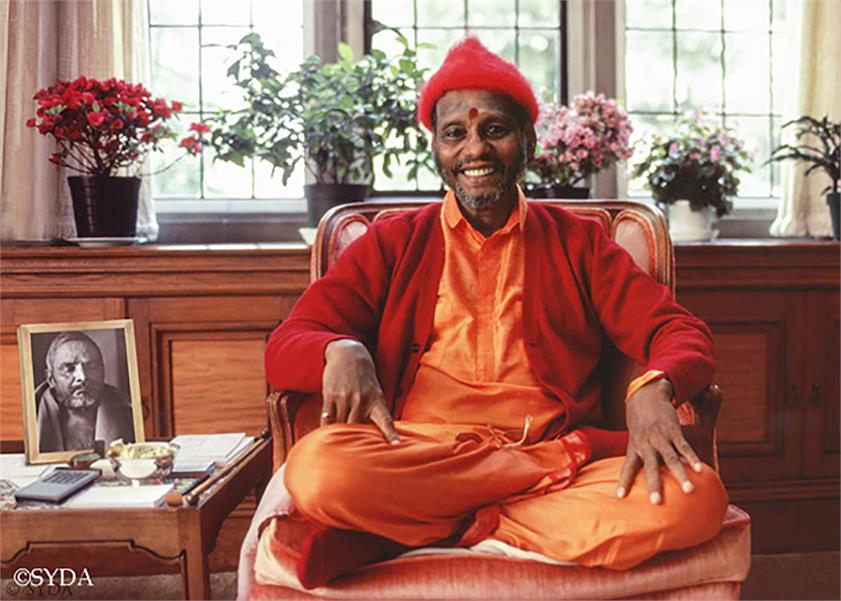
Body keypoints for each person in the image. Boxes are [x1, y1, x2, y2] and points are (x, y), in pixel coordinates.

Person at [259, 38, 728, 588]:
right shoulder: (392, 243)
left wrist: (656, 384)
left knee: (695, 499)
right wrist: (337, 348)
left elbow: (678, 330)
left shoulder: (581, 244)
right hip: (424, 454)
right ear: (435, 146)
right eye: (456, 133)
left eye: (494, 130)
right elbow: (286, 345)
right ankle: (494, 510)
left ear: (527, 140)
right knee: (317, 471)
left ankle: (406, 528)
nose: (474, 149)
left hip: (549, 448)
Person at [36, 331, 135, 452]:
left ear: (103, 371)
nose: (82, 377)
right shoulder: (31, 414)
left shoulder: (131, 410)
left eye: (91, 366)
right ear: (51, 379)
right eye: (69, 368)